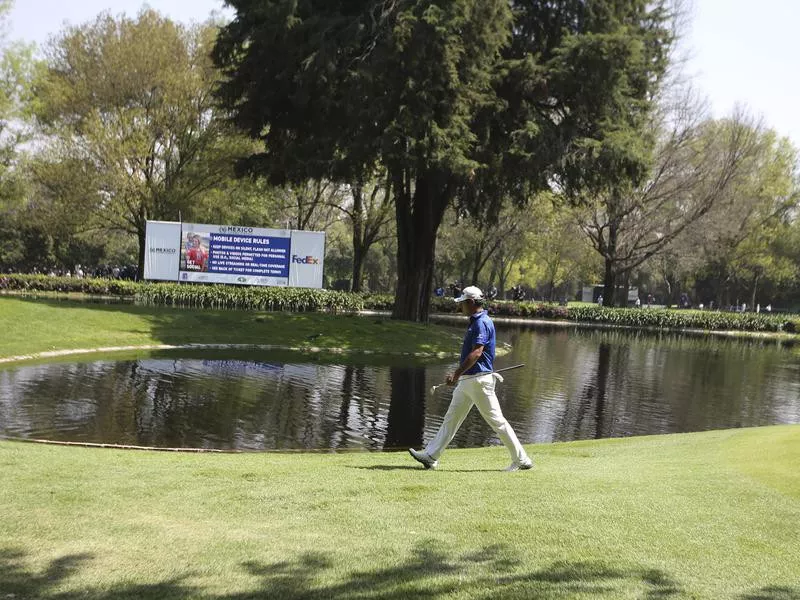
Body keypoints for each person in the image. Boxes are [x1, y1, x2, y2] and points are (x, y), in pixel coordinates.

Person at [409, 286, 532, 472]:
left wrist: (456, 373)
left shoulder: (481, 322)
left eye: (463, 303)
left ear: (472, 302)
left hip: (478, 381)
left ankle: (522, 459)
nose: (461, 307)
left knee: (497, 421)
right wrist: (460, 375)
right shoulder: (476, 321)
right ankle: (431, 456)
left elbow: (477, 352)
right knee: (451, 419)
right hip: (469, 381)